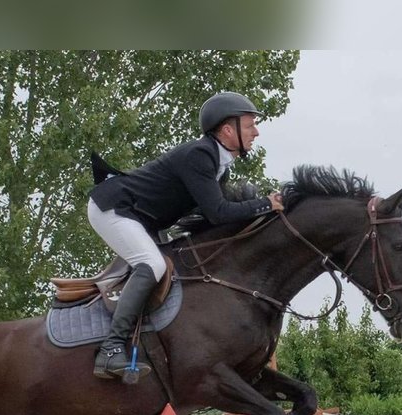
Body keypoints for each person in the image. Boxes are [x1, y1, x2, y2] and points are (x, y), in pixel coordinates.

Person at [87, 91, 285, 381]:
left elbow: (220, 216)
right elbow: (219, 213)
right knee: (152, 265)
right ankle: (111, 349)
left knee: (170, 268)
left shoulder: (218, 164)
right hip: (114, 208)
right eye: (250, 125)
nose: (256, 131)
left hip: (140, 217)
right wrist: (266, 203)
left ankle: (141, 343)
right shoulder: (200, 155)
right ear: (228, 130)